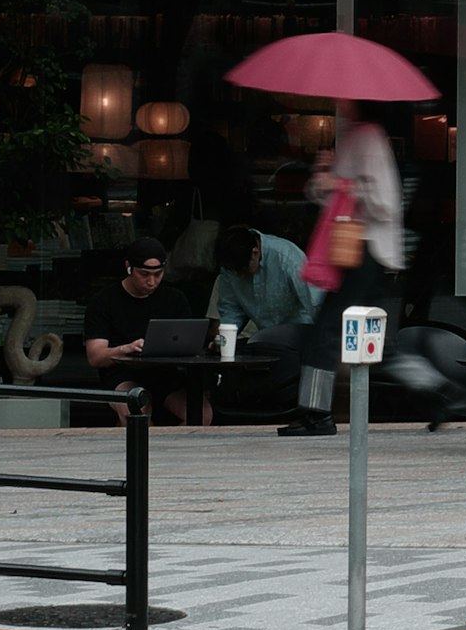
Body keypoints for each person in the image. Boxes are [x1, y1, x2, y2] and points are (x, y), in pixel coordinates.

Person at [286, 118, 408, 438]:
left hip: (368, 249)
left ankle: (316, 414)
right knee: (371, 341)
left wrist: (341, 184)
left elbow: (384, 202)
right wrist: (322, 175)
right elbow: (326, 198)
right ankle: (439, 391)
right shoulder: (350, 138)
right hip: (352, 248)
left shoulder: (369, 137)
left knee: (328, 329)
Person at [82, 240, 206, 424]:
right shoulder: (104, 301)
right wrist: (126, 348)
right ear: (129, 267)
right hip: (123, 373)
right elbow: (95, 357)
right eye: (144, 274)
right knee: (136, 410)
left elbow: (189, 342)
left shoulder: (174, 298)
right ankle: (145, 449)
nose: (151, 281)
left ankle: (171, 450)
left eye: (158, 274)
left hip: (167, 374)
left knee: (201, 414)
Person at [207, 222, 314, 355]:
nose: (239, 275)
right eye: (234, 271)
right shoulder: (230, 268)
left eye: (242, 270)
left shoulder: (288, 258)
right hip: (267, 340)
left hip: (300, 337)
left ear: (255, 253)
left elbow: (315, 303)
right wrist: (222, 341)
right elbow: (231, 312)